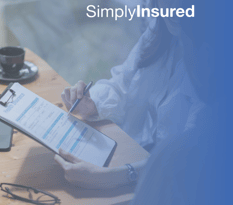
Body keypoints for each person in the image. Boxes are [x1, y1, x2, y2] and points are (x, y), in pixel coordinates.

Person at [55, 0, 212, 191]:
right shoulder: (160, 32)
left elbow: (189, 157)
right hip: (133, 158)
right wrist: (92, 103)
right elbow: (122, 84)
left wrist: (111, 177)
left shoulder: (216, 61)